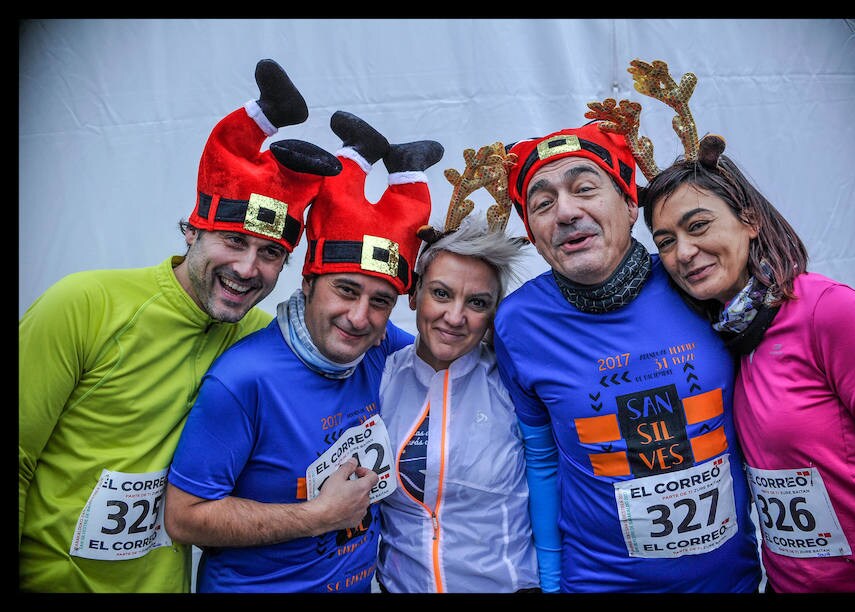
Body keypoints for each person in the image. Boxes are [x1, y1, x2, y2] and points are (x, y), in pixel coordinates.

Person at [18, 59, 342, 593]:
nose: (247, 269)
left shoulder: (258, 337)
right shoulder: (84, 304)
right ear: (192, 231)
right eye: (233, 241)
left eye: (270, 254)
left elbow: (349, 338)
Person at [490, 59, 763, 593]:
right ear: (533, 232)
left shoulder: (698, 281)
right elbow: (541, 464)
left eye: (584, 188)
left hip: (729, 581)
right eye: (542, 203)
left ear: (629, 201)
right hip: (597, 584)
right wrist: (549, 581)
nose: (565, 211)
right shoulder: (518, 323)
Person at [163, 110, 444, 593]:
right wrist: (318, 516)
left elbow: (451, 349)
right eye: (345, 291)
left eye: (380, 301)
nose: (359, 316)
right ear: (308, 283)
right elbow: (184, 519)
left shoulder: (378, 348)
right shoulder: (242, 379)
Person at [639, 68, 855, 592]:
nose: (683, 252)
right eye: (664, 240)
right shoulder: (729, 336)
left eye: (698, 225)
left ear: (749, 220)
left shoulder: (828, 313)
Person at [375, 143, 540, 593]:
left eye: (478, 303)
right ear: (414, 295)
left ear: (493, 314)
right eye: (442, 294)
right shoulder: (380, 376)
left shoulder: (515, 385)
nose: (455, 317)